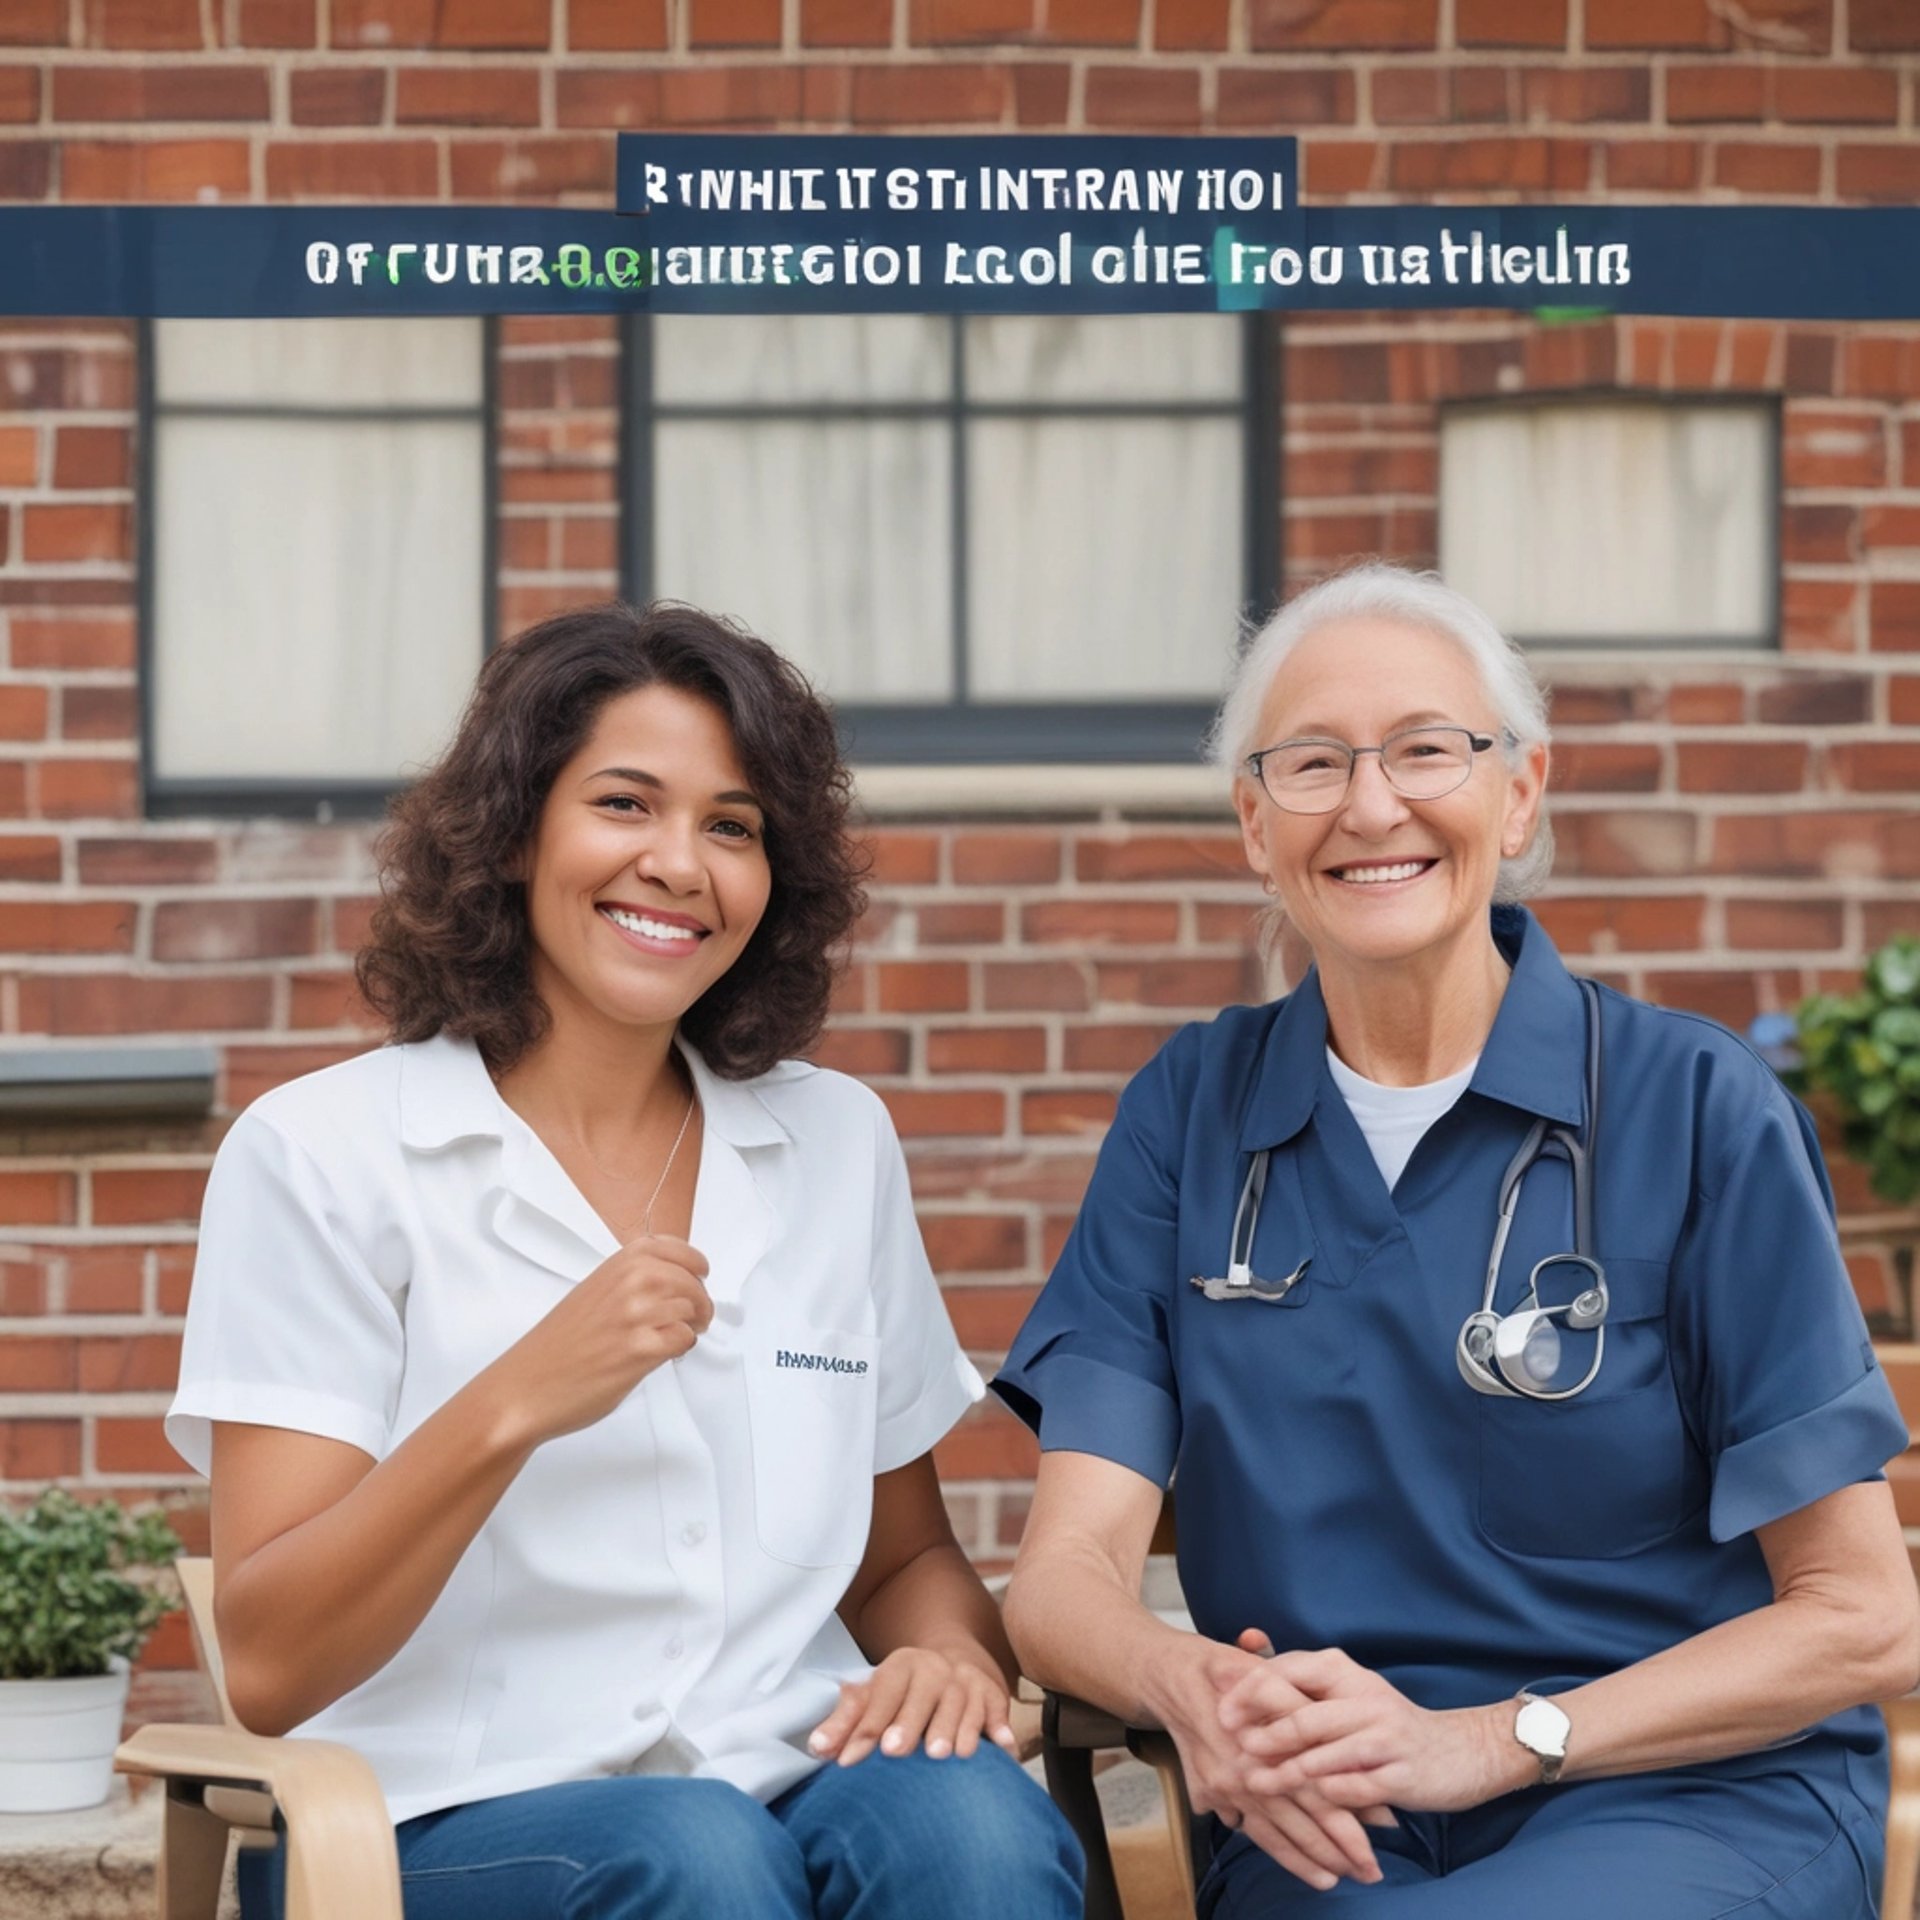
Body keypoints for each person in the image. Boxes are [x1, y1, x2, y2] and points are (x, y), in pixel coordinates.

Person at [995, 563, 1918, 1918]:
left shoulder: (1692, 1109)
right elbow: (1063, 1580)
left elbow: (1863, 1613)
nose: (1373, 806)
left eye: (1428, 750)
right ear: (1256, 826)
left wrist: (1492, 1742)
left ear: (1520, 791)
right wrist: (1196, 1688)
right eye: (1312, 764)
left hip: (1684, 1802)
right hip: (1334, 1817)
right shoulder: (1189, 1117)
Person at [167, 602, 1082, 1920]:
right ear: (517, 828)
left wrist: (949, 1657)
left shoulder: (833, 1144)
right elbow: (269, 1660)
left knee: (977, 1835)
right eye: (624, 804)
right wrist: (512, 1402)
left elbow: (901, 1564)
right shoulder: (321, 1155)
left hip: (790, 1768)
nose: (679, 862)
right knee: (698, 1855)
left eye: (732, 825)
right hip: (434, 1816)